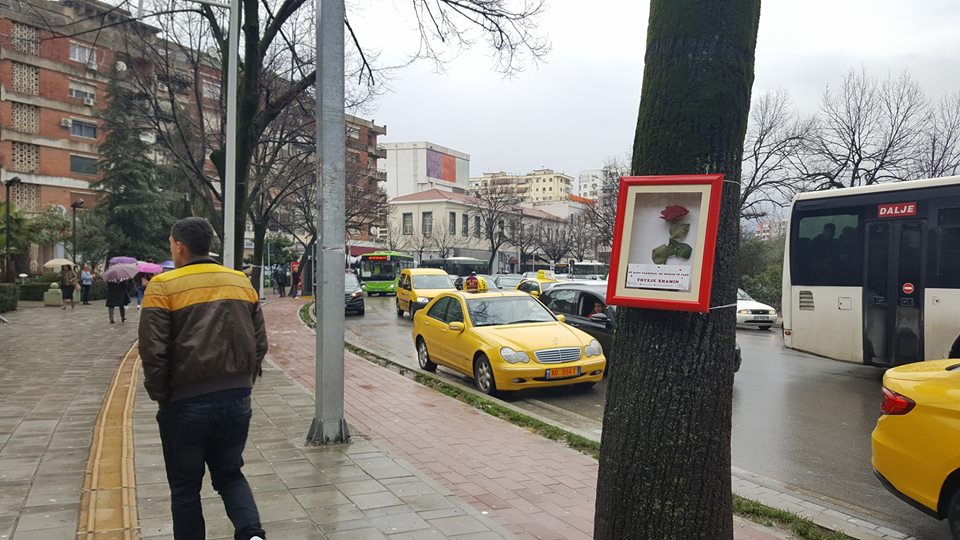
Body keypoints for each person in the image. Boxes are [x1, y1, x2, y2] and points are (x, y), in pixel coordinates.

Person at [139, 217, 267, 540]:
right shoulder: (241, 282)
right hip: (237, 398)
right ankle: (252, 535)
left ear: (180, 247)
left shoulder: (162, 286)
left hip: (186, 402)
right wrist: (243, 382)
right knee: (230, 474)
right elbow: (259, 343)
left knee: (185, 487)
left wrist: (162, 395)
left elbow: (153, 351)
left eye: (172, 244)